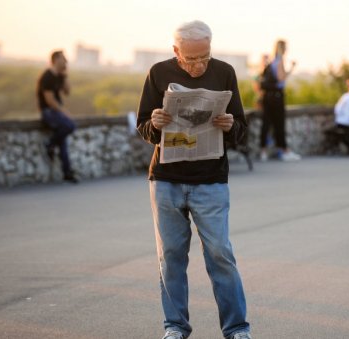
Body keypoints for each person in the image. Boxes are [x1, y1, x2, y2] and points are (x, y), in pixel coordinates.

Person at [136, 21, 251, 339]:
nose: (199, 64)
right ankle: (175, 327)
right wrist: (156, 123)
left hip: (211, 180)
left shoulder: (225, 72)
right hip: (166, 180)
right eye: (191, 59)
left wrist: (230, 125)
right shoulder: (158, 73)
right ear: (176, 52)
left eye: (205, 56)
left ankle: (237, 329)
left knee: (220, 254)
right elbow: (144, 126)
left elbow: (242, 129)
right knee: (170, 257)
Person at [36, 50, 78, 183]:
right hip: (49, 112)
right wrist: (63, 112)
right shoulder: (47, 76)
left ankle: (67, 173)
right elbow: (49, 100)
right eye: (63, 59)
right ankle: (49, 144)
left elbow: (67, 92)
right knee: (70, 125)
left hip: (56, 113)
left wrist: (65, 75)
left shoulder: (59, 76)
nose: (66, 61)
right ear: (55, 60)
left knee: (63, 142)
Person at [259, 39, 301, 162]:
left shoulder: (270, 61)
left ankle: (263, 151)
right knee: (279, 124)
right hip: (277, 97)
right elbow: (281, 79)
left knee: (266, 124)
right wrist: (292, 68)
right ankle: (283, 150)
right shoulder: (280, 61)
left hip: (267, 97)